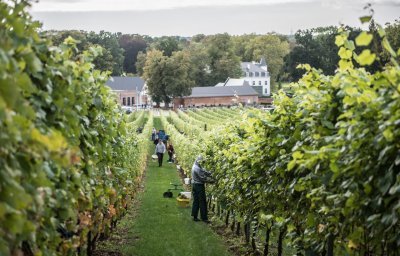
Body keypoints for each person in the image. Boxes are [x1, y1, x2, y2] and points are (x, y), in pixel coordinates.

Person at [191, 155, 212, 223]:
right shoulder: (196, 168)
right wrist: (211, 181)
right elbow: (203, 178)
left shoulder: (196, 165)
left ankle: (195, 216)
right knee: (202, 201)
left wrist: (210, 173)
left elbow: (203, 171)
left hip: (195, 185)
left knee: (196, 201)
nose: (202, 163)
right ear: (199, 161)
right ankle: (204, 218)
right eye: (202, 161)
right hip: (199, 186)